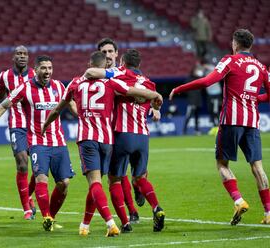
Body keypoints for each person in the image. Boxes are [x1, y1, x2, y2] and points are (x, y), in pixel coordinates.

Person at [41, 51, 163, 236]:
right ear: (104, 65)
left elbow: (58, 109)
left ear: (90, 63)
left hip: (88, 138)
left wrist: (45, 125)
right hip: (108, 140)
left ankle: (111, 223)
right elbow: (132, 91)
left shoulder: (75, 83)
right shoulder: (111, 82)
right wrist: (154, 94)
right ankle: (85, 225)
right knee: (104, 182)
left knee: (95, 183)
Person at [170, 29, 270, 225]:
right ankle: (268, 211)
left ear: (235, 44)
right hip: (252, 122)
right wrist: (254, 98)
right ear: (250, 45)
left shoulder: (230, 60)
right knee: (257, 167)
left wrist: (180, 88)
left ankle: (239, 200)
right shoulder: (261, 67)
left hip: (231, 121)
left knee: (222, 164)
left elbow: (207, 81)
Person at [0, 55, 75, 231]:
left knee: (64, 184)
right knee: (41, 178)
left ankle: (50, 216)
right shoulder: (25, 88)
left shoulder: (60, 86)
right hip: (37, 142)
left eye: (50, 68)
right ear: (35, 70)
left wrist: (84, 115)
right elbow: (3, 106)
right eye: (43, 68)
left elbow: (72, 104)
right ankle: (46, 218)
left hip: (59, 141)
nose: (47, 72)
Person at [85, 49, 165, 232]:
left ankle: (125, 222)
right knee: (140, 177)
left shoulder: (119, 74)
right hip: (143, 136)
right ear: (139, 65)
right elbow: (156, 103)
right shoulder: (149, 83)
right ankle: (156, 208)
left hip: (122, 134)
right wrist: (155, 104)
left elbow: (93, 74)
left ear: (122, 61)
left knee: (115, 180)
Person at [0, 45, 37, 220]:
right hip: (17, 125)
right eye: (19, 54)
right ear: (13, 57)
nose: (22, 56)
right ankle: (26, 208)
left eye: (25, 54)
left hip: (35, 125)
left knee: (38, 166)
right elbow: (1, 95)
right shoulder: (5, 76)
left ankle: (28, 194)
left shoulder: (36, 75)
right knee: (22, 163)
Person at [97, 38, 145, 220]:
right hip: (109, 129)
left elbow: (144, 87)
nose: (107, 55)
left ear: (117, 54)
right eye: (104, 52)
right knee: (116, 173)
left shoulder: (122, 73)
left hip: (130, 126)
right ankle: (132, 212)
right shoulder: (100, 75)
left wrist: (155, 107)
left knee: (135, 172)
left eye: (110, 51)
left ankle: (138, 187)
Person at [182, 62, 204, 135]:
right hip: (192, 101)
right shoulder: (189, 79)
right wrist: (191, 100)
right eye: (197, 70)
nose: (198, 72)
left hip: (198, 101)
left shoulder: (199, 79)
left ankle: (197, 130)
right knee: (189, 116)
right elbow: (186, 89)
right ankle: (184, 130)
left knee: (197, 117)